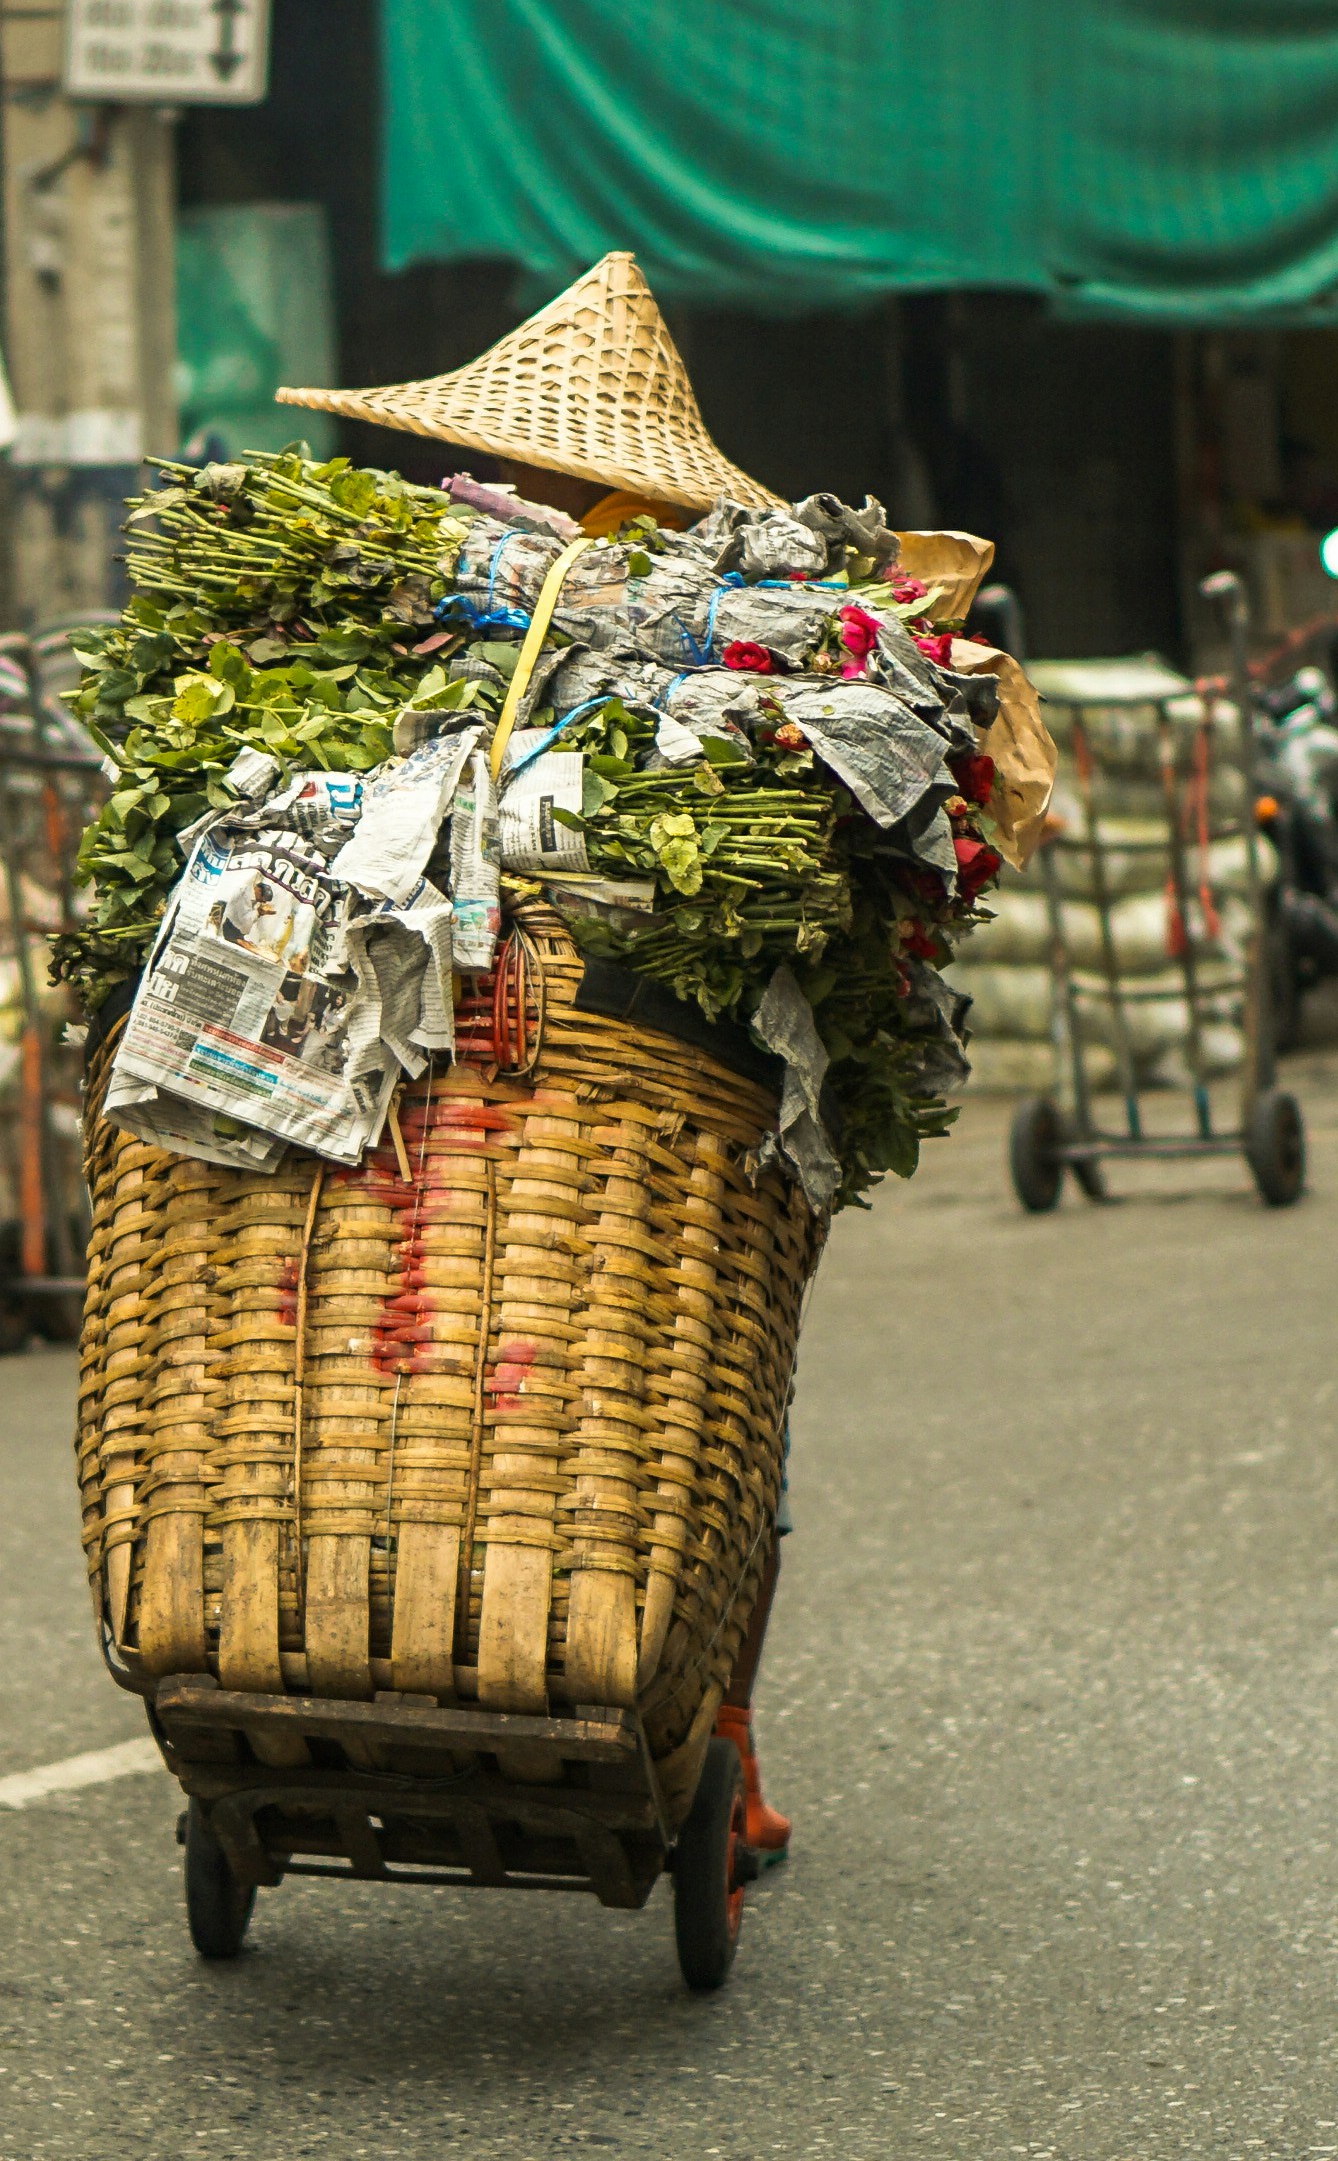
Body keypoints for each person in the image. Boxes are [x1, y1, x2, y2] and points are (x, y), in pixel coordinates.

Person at [276, 252, 796, 1863]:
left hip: (459, 1087)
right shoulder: (635, 611)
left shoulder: (528, 608)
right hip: (634, 1098)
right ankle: (711, 1730)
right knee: (702, 1410)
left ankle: (350, 1631)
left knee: (402, 1366)